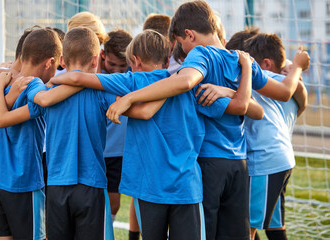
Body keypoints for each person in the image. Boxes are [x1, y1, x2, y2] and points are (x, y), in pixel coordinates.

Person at [101, 1, 310, 239]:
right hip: (239, 164)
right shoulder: (243, 60)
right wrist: (298, 67)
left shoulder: (201, 54)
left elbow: (184, 82)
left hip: (208, 163)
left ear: (189, 35)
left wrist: (129, 98)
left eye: (180, 44)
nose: (181, 53)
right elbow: (283, 94)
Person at [49, 28, 259, 240]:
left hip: (147, 188)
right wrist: (229, 90)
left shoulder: (131, 82)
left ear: (135, 61)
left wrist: (52, 82)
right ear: (167, 61)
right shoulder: (193, 89)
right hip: (186, 187)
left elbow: (79, 78)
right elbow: (254, 111)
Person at [0, 28, 62, 240]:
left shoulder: (3, 81)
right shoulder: (37, 89)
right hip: (22, 183)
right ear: (50, 62)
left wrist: (2, 92)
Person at [242, 33, 307, 240]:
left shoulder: (262, 78)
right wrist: (294, 70)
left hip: (266, 162)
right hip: (281, 161)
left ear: (265, 64)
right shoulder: (289, 82)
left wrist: (295, 68)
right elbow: (299, 93)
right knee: (273, 225)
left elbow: (289, 88)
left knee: (248, 228)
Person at [99, 28, 133, 224]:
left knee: (113, 204)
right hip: (95, 151)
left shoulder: (132, 76)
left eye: (123, 66)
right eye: (112, 64)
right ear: (102, 55)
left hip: (118, 153)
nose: (117, 71)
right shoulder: (92, 75)